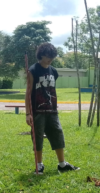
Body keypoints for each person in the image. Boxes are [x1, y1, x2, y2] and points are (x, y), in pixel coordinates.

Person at [25, 42, 80, 174]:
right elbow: (28, 92)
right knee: (37, 137)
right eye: (48, 56)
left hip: (52, 110)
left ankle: (62, 164)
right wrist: (28, 113)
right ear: (41, 55)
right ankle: (39, 165)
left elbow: (51, 89)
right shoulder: (33, 70)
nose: (50, 59)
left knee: (58, 133)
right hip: (37, 111)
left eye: (52, 56)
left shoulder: (53, 71)